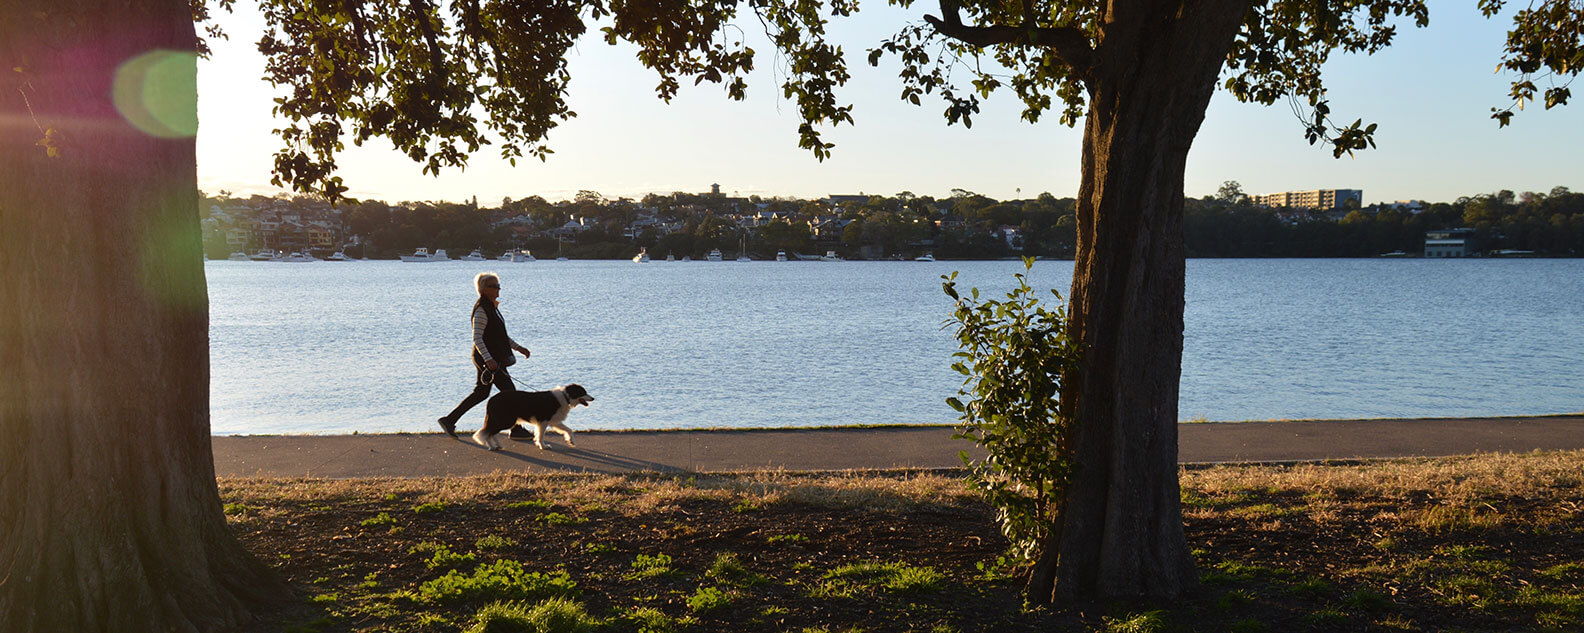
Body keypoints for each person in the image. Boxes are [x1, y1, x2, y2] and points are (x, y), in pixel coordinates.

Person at [438, 272, 532, 438]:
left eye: (498, 286)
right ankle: (515, 430)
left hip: (493, 358)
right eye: (493, 286)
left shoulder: (492, 308)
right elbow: (477, 338)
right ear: (483, 289)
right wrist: (488, 360)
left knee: (482, 393)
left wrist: (519, 348)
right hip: (487, 359)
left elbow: (501, 336)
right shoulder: (482, 310)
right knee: (510, 393)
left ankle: (449, 420)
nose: (498, 289)